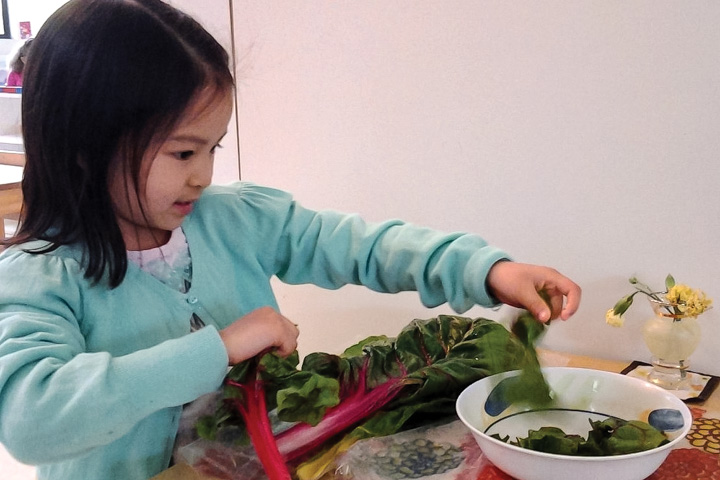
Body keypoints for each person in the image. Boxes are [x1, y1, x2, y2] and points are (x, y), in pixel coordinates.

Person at [0, 0, 581, 479]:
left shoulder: (236, 218)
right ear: (85, 146)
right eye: (183, 152)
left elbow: (360, 246)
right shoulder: (38, 274)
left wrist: (484, 271)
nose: (203, 175)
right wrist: (220, 348)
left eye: (213, 148)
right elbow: (31, 420)